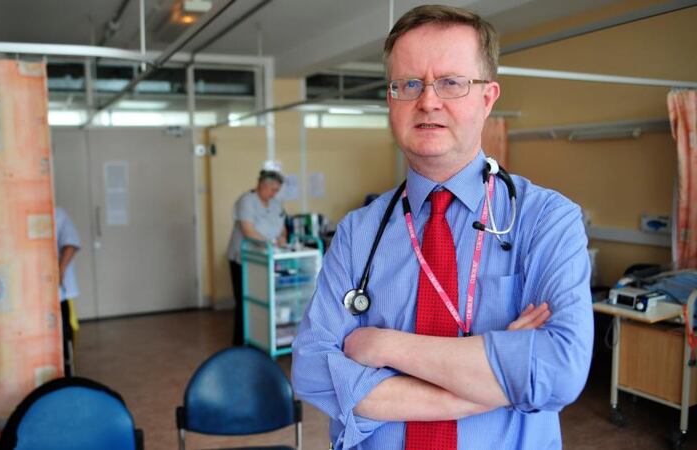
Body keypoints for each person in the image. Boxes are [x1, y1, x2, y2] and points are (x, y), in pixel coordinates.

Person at [291, 5, 593, 450]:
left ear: (488, 98)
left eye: (452, 82)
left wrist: (383, 346)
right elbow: (311, 367)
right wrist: (483, 387)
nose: (427, 100)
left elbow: (558, 370)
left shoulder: (546, 219)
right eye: (408, 83)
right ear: (391, 99)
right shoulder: (358, 232)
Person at [227, 170, 288, 346]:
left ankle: (261, 339)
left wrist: (283, 237)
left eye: (277, 190)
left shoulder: (275, 203)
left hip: (266, 260)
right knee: (245, 302)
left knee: (264, 301)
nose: (274, 194)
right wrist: (271, 243)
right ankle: (240, 344)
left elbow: (282, 226)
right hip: (244, 259)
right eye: (272, 189)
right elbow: (248, 231)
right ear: (262, 185)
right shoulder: (246, 201)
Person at [55, 206, 81, 377]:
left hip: (59, 293)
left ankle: (66, 375)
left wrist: (60, 270)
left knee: (63, 336)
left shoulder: (57, 214)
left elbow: (70, 243)